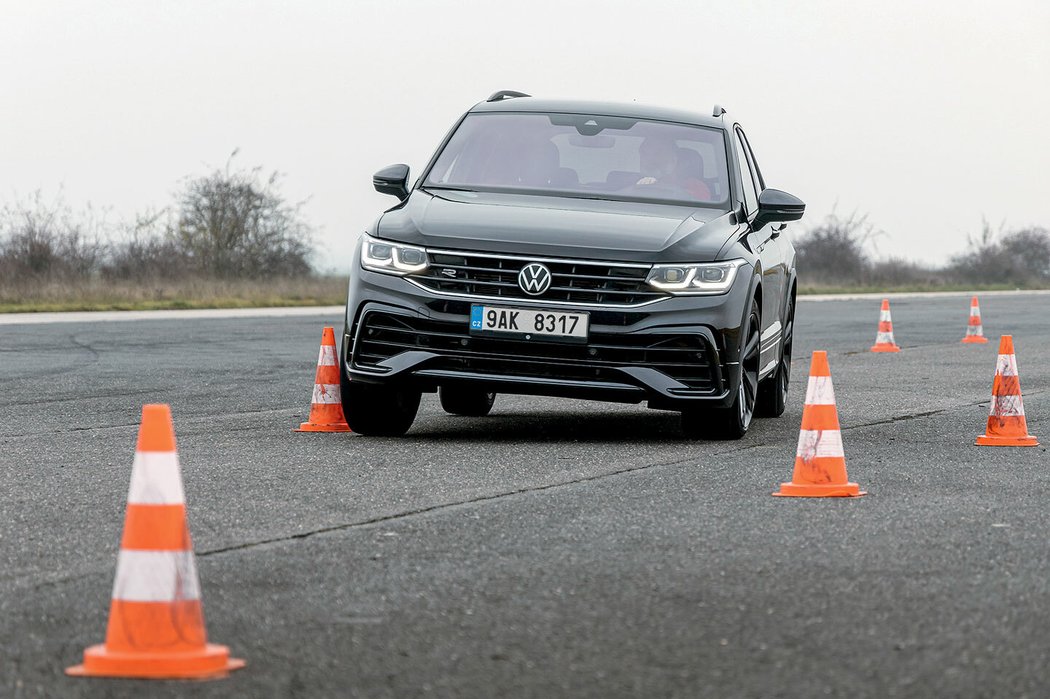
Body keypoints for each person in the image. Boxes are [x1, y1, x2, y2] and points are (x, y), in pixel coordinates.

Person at [635, 136, 712, 200]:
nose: (650, 159)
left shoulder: (694, 186)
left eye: (658, 153)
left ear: (673, 160)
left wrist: (658, 187)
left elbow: (701, 212)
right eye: (644, 154)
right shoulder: (631, 185)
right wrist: (639, 189)